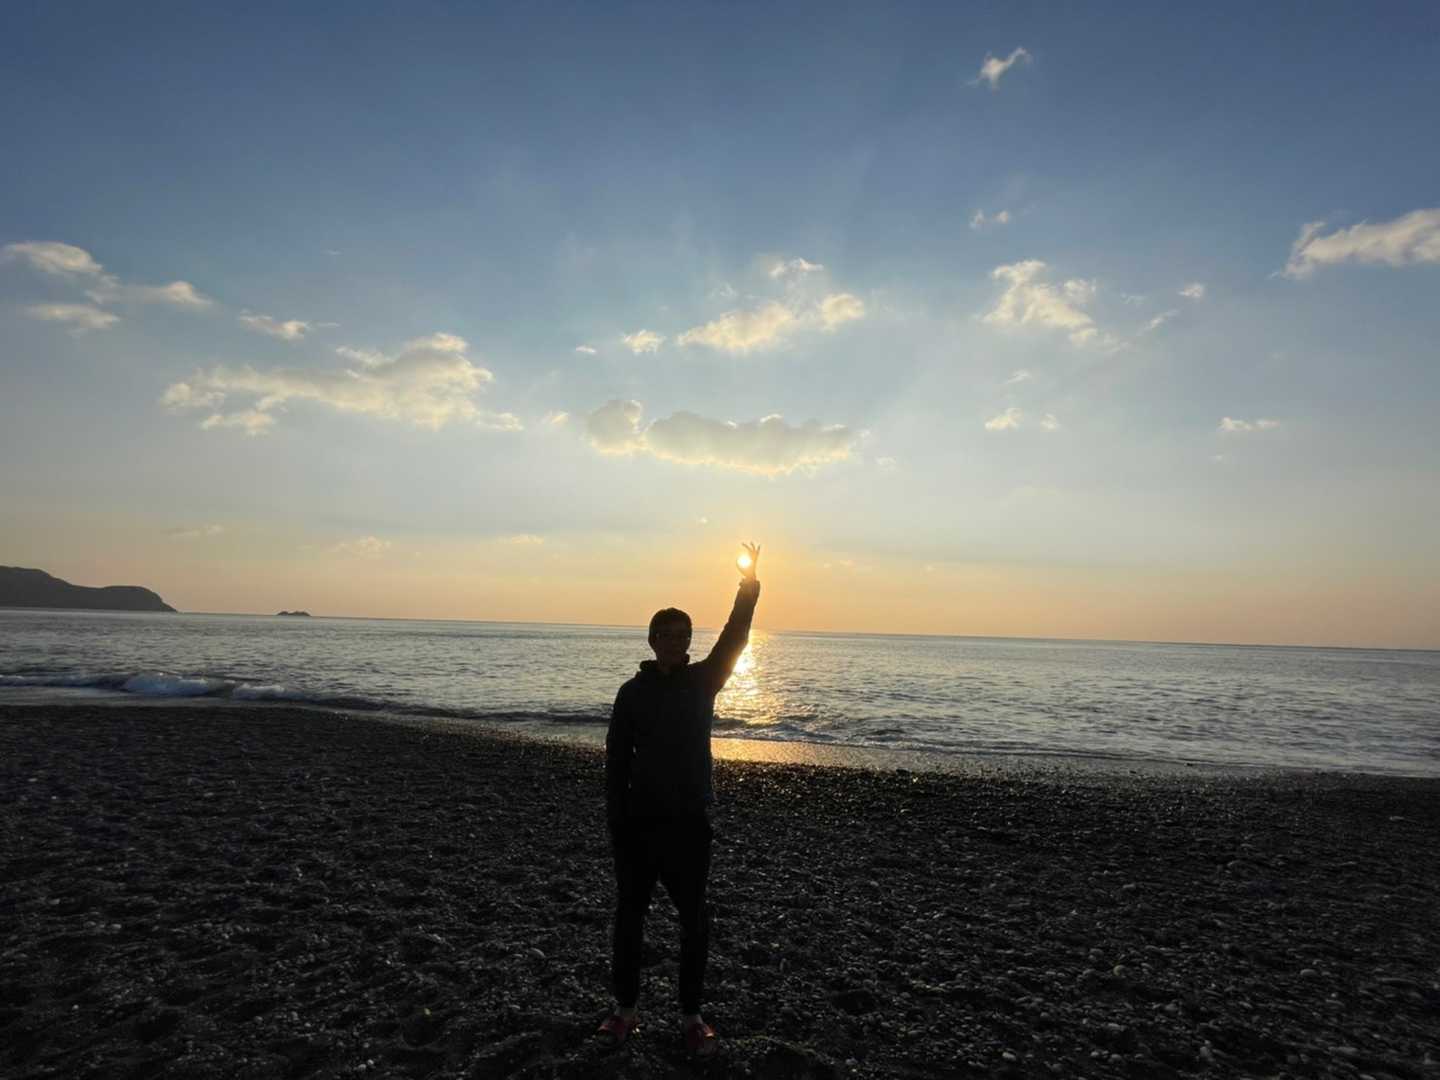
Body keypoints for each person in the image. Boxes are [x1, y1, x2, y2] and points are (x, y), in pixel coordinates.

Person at [597, 543, 762, 1057]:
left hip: (689, 823)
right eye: (666, 635)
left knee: (694, 921)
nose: (675, 642)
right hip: (638, 824)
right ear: (652, 641)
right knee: (630, 918)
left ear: (690, 641)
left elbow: (736, 637)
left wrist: (749, 586)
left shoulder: (703, 682)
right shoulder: (631, 693)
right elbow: (616, 760)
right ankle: (625, 1011)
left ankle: (692, 1016)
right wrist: (616, 819)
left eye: (683, 635)